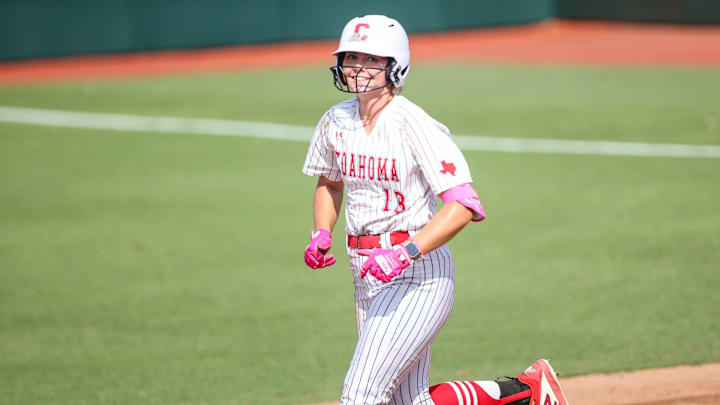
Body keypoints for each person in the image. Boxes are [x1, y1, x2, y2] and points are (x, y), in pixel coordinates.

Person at [302, 14, 570, 405]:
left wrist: (406, 251)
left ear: (394, 66)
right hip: (365, 276)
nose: (357, 67)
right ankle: (528, 391)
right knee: (406, 401)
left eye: (370, 59)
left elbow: (463, 205)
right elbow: (330, 182)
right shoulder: (335, 122)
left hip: (418, 277)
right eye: (350, 57)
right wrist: (322, 230)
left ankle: (528, 391)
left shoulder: (413, 124)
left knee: (361, 394)